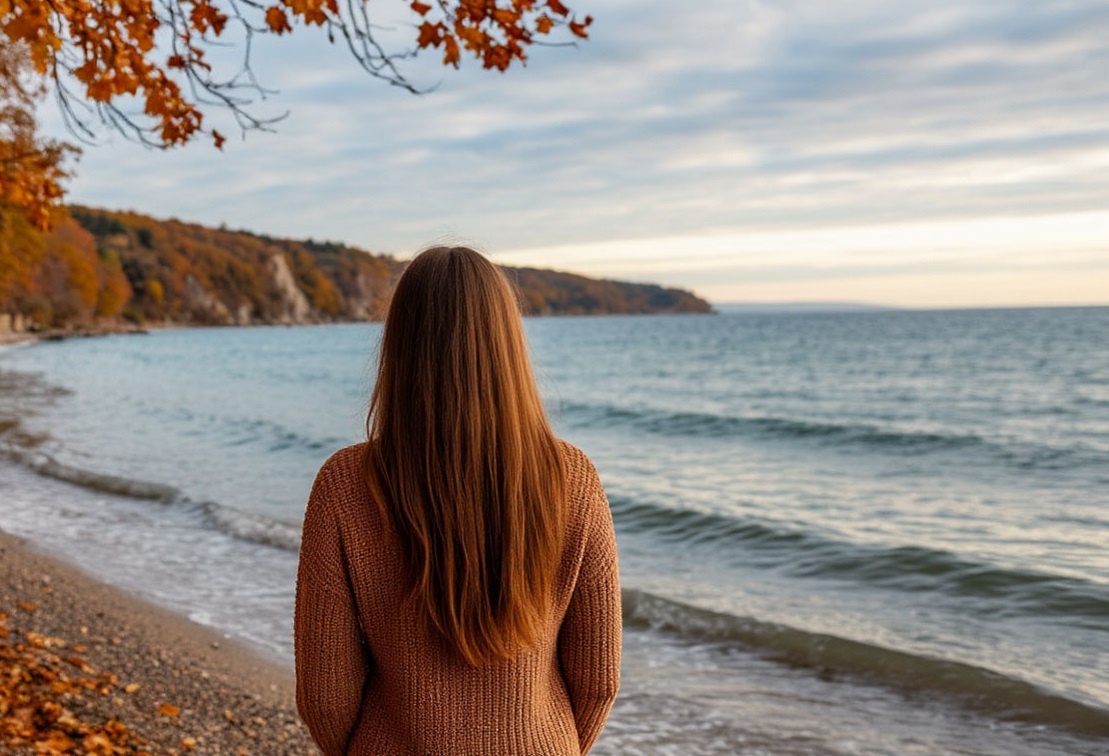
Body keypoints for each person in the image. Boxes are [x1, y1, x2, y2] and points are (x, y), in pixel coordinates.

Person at [294, 246, 622, 755]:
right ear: (507, 344)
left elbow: (326, 697)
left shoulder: (344, 484)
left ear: (399, 346)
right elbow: (598, 681)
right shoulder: (571, 478)